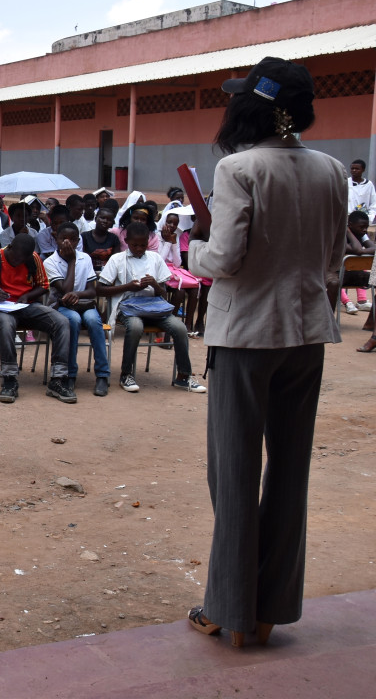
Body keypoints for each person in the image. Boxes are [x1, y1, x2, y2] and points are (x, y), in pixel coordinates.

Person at [184, 57, 348, 648]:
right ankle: (270, 606)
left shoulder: (238, 168)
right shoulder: (333, 170)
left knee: (233, 474)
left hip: (245, 336)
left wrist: (192, 251)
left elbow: (224, 260)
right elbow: (334, 260)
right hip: (307, 335)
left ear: (254, 106)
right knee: (289, 472)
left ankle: (229, 608)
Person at [0, 233, 76, 404]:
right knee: (6, 323)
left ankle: (58, 379)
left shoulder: (33, 258)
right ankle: (9, 378)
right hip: (1, 308)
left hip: (26, 305)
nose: (19, 262)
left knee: (61, 321)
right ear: (9, 248)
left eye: (22, 260)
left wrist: (27, 296)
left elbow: (44, 286)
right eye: (16, 258)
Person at [98, 222, 206, 394]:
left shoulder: (155, 258)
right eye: (135, 245)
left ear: (148, 243)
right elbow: (100, 289)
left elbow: (163, 294)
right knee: (135, 327)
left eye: (143, 245)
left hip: (155, 307)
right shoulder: (117, 259)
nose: (139, 248)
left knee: (179, 328)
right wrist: (128, 287)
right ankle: (126, 373)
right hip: (128, 306)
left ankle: (183, 376)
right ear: (126, 241)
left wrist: (155, 285)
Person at [44, 222, 110, 396]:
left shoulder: (85, 258)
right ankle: (70, 373)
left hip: (83, 303)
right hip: (61, 307)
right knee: (73, 320)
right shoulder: (50, 262)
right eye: (63, 239)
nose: (68, 243)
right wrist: (72, 261)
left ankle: (102, 375)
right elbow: (65, 290)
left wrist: (77, 295)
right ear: (55, 239)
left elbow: (91, 291)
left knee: (93, 321)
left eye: (72, 240)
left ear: (77, 240)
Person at [341, 210, 375, 314]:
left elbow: (373, 248)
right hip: (338, 275)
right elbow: (358, 250)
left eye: (366, 227)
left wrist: (362, 251)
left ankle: (362, 301)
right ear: (350, 225)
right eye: (362, 227)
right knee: (337, 277)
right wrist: (348, 232)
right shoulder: (340, 236)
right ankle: (347, 302)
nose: (365, 230)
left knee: (364, 268)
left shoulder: (362, 234)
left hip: (355, 274)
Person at [82, 207, 122, 273]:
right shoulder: (85, 236)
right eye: (102, 218)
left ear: (112, 223)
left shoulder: (114, 238)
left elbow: (116, 260)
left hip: (108, 273)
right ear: (95, 219)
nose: (105, 221)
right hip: (88, 273)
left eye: (109, 220)